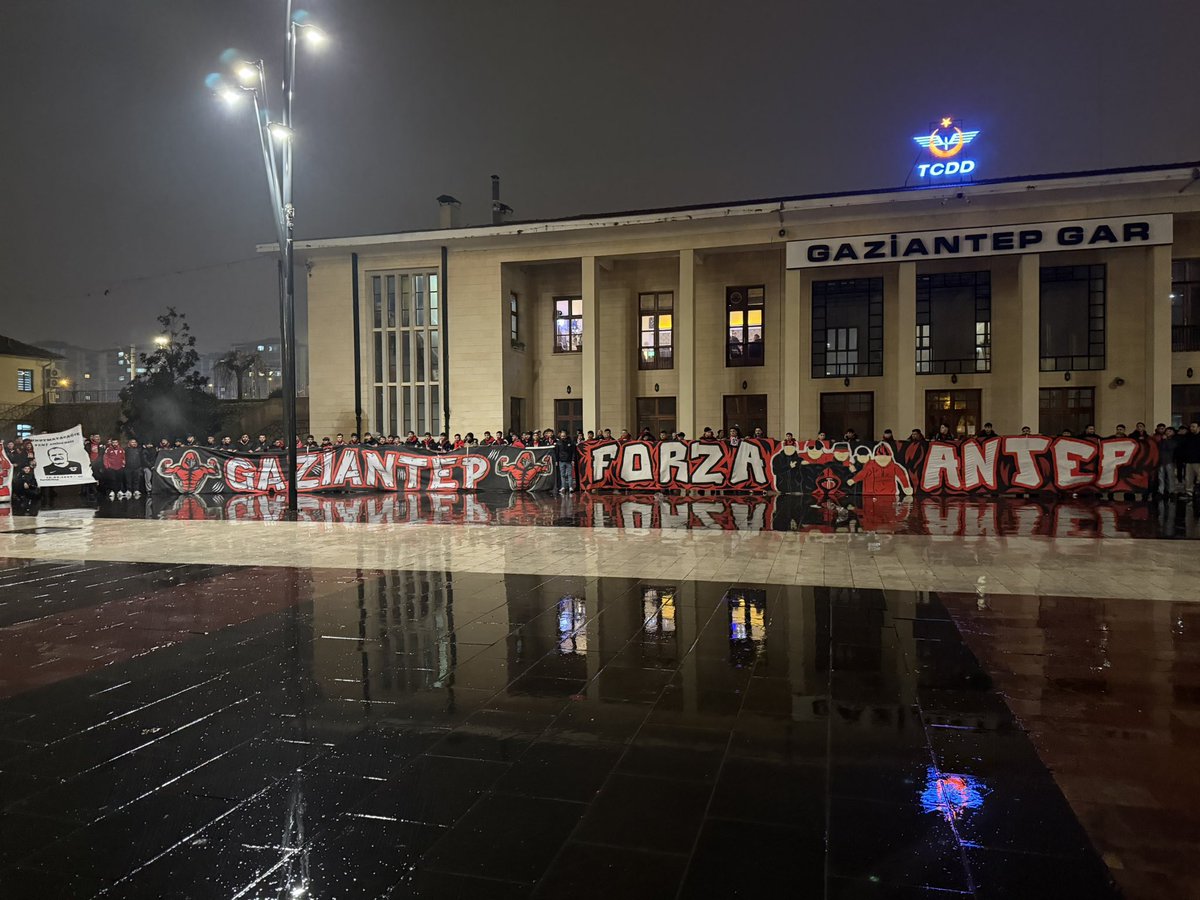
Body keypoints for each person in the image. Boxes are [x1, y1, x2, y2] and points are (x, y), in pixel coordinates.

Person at [1158, 427, 1179, 498]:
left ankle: (1171, 491)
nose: (1168, 432)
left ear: (1173, 433)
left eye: (1170, 431)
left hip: (1169, 460)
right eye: (1167, 431)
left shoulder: (1174, 441)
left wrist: (1165, 440)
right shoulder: (1161, 441)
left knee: (1170, 477)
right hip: (1161, 461)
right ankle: (1161, 491)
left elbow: (1170, 447)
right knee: (1160, 477)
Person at [1181, 422, 1200, 499]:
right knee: (1188, 478)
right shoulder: (1188, 437)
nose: (1191, 428)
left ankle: (1197, 491)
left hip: (1198, 461)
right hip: (1189, 460)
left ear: (1198, 427)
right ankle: (1189, 492)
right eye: (1191, 426)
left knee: (1199, 477)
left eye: (1193, 426)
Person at [554, 429, 576, 493]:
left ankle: (570, 487)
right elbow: (557, 453)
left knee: (569, 474)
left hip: (569, 461)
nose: (563, 437)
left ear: (566, 436)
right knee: (562, 475)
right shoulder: (558, 443)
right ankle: (563, 487)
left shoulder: (570, 442)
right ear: (560, 436)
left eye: (564, 436)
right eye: (562, 436)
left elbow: (573, 452)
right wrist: (556, 461)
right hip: (561, 461)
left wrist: (573, 459)